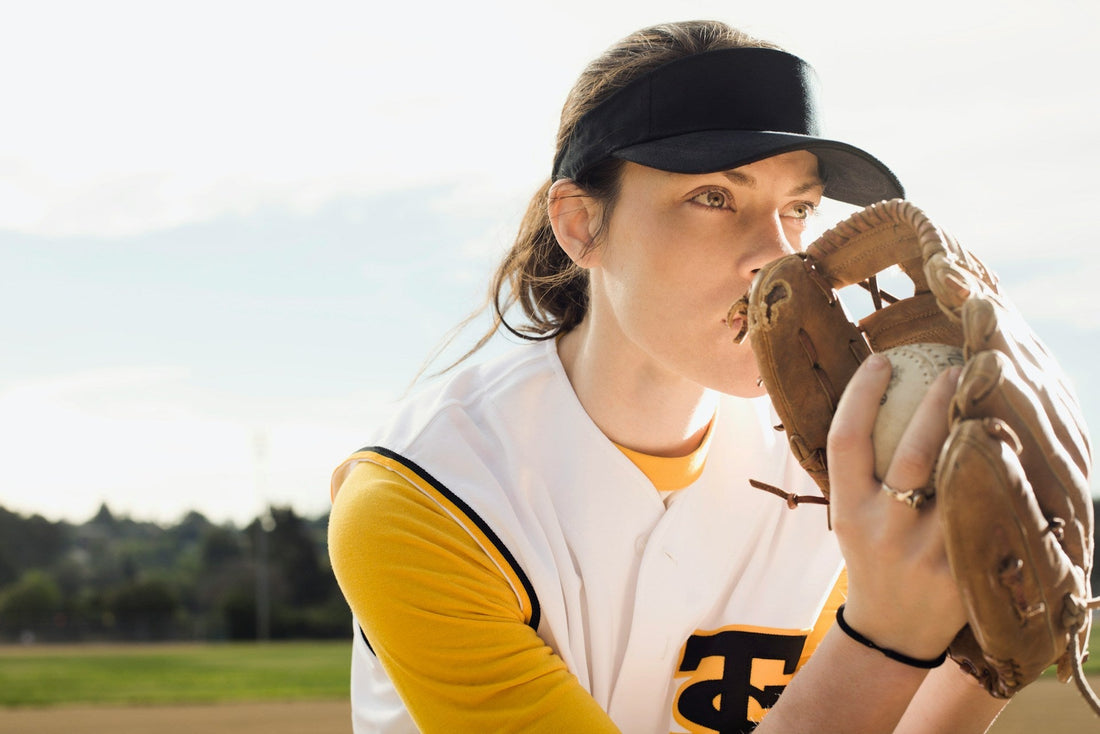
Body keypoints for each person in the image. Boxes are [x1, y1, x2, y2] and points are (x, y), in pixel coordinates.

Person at [328, 20, 1011, 733]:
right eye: (714, 197)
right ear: (580, 225)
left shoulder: (843, 463)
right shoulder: (427, 494)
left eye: (799, 209)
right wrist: (886, 639)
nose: (775, 256)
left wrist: (986, 660)